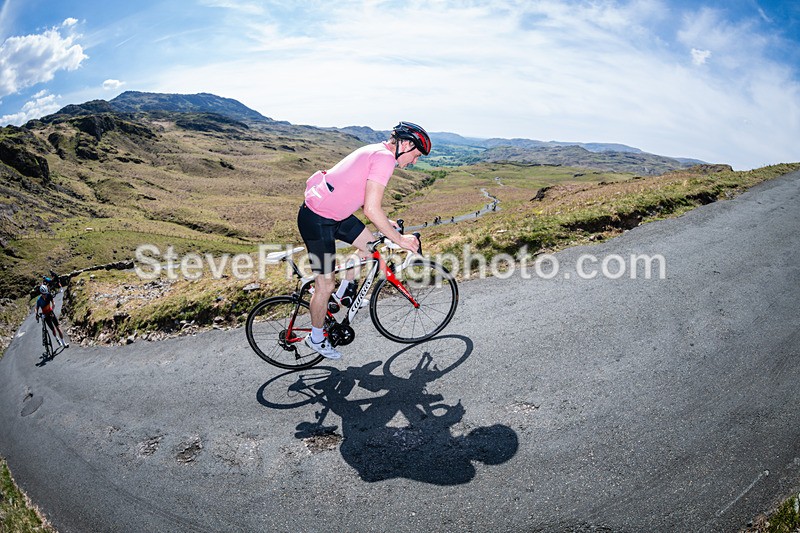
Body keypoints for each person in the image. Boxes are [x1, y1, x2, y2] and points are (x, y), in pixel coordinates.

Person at [297, 121, 430, 359]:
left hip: (334, 214)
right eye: (416, 155)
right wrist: (400, 240)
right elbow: (370, 209)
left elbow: (357, 192)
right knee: (324, 285)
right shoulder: (385, 159)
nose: (414, 161)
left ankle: (343, 293)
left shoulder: (377, 151)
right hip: (317, 219)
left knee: (372, 247)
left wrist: (385, 222)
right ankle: (316, 338)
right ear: (406, 144)